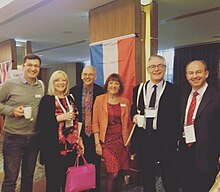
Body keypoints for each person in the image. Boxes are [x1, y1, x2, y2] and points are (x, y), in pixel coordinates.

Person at [130, 55, 180, 192]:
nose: (156, 69)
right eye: (153, 66)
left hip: (166, 142)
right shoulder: (138, 89)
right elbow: (133, 109)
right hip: (145, 140)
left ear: (165, 68)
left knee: (169, 179)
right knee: (147, 178)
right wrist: (134, 116)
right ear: (148, 69)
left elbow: (177, 117)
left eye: (160, 66)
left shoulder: (175, 90)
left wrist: (174, 140)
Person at [0, 54, 44, 192]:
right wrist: (12, 111)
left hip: (34, 138)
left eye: (36, 66)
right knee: (11, 178)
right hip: (14, 138)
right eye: (29, 65)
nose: (33, 68)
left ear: (39, 68)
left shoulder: (40, 85)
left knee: (28, 176)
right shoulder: (10, 84)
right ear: (23, 66)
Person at [36, 70, 84, 192]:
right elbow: (41, 124)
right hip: (54, 149)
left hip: (70, 149)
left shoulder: (70, 98)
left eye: (63, 80)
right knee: (53, 183)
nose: (61, 83)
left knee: (68, 182)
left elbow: (76, 121)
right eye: (57, 80)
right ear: (52, 82)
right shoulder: (47, 100)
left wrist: (79, 139)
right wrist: (59, 118)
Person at [178, 60, 220, 192]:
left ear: (206, 74)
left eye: (198, 72)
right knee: (188, 186)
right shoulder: (183, 96)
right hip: (186, 150)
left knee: (206, 187)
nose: (194, 76)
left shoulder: (217, 96)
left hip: (208, 154)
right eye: (191, 73)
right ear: (186, 75)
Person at [92, 73, 132, 192]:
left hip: (122, 142)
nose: (113, 85)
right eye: (111, 82)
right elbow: (95, 122)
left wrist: (129, 144)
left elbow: (128, 124)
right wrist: (97, 144)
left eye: (116, 83)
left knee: (120, 172)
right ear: (107, 85)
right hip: (107, 142)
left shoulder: (125, 101)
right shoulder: (99, 99)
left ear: (120, 86)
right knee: (113, 172)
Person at [69, 65, 104, 192]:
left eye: (90, 74)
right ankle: (80, 188)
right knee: (79, 164)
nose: (87, 77)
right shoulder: (73, 91)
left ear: (95, 77)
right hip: (78, 133)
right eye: (85, 74)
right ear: (81, 76)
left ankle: (95, 188)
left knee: (95, 165)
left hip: (95, 133)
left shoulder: (101, 91)